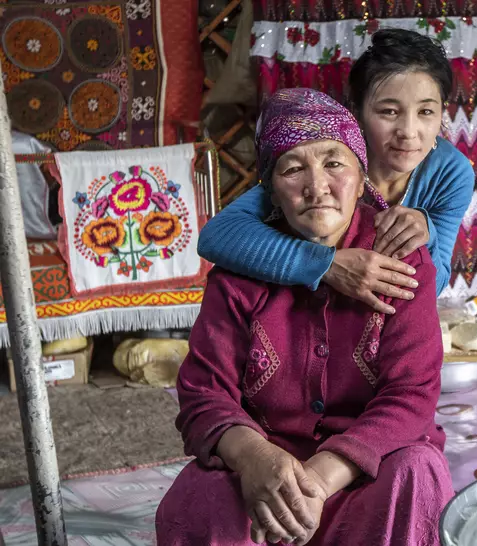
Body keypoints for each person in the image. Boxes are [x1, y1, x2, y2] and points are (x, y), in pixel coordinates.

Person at [156, 88, 453, 546]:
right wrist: (256, 458)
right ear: (270, 190)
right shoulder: (240, 271)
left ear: (361, 175)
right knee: (197, 494)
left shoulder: (399, 257)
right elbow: (203, 393)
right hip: (266, 483)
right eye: (293, 168)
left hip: (364, 476)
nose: (317, 186)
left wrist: (316, 481)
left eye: (334, 162)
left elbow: (412, 394)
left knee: (417, 470)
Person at [198, 29, 475, 315]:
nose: (408, 132)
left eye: (426, 112)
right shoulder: (328, 161)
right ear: (356, 113)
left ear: (443, 112)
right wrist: (324, 264)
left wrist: (427, 233)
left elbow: (435, 286)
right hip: (299, 311)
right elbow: (216, 237)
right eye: (389, 112)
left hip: (381, 319)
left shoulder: (451, 174)